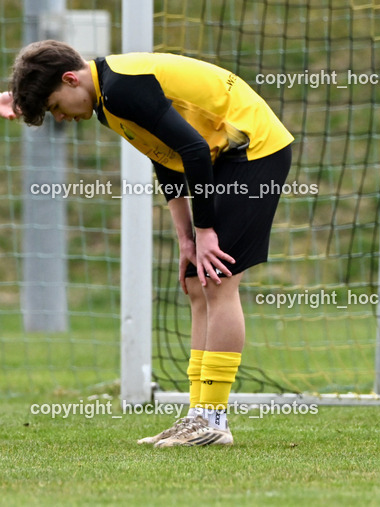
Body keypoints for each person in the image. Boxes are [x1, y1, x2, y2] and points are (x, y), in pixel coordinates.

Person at [1, 41, 294, 447]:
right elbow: (166, 154)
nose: (61, 117)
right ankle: (199, 414)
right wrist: (186, 237)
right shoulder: (104, 99)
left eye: (55, 106)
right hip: (222, 157)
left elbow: (192, 148)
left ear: (71, 79)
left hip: (253, 149)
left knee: (218, 281)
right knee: (196, 284)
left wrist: (205, 231)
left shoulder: (121, 87)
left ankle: (213, 419)